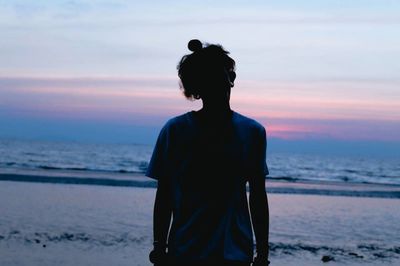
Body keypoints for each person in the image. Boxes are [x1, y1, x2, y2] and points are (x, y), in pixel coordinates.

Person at [146, 39, 270, 266]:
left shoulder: (252, 132)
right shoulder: (175, 131)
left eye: (218, 72)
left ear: (231, 78)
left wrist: (262, 253)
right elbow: (164, 194)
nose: (213, 80)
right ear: (196, 86)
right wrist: (159, 246)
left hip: (234, 252)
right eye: (206, 75)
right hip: (184, 251)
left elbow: (258, 196)